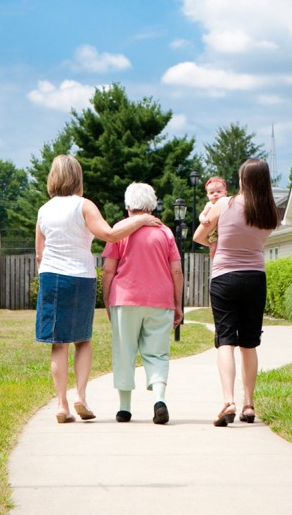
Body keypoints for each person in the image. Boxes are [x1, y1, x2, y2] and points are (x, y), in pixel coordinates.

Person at [35, 154, 161, 425]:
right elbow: (110, 234)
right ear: (78, 177)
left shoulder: (44, 210)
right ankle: (80, 396)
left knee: (58, 345)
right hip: (79, 277)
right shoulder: (84, 206)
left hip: (50, 277)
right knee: (82, 340)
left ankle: (61, 404)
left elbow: (39, 254)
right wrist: (142, 220)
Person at [193, 159, 279, 427]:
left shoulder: (224, 204)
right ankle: (249, 404)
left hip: (224, 277)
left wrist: (215, 240)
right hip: (255, 278)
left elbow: (198, 236)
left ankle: (228, 400)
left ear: (243, 180)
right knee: (249, 343)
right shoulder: (269, 212)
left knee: (226, 340)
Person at [101, 182, 183, 425]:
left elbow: (108, 270)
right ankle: (159, 400)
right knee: (157, 353)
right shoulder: (165, 232)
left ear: (128, 206)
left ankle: (124, 408)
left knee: (124, 351)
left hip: (125, 299)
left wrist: (107, 300)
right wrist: (178, 305)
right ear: (151, 206)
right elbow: (176, 271)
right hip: (160, 300)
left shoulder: (118, 231)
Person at [198, 177, 228, 259]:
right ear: (207, 195)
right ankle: (214, 259)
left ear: (225, 193)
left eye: (219, 192)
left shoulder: (227, 203)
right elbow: (202, 214)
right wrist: (203, 219)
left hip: (225, 231)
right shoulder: (210, 205)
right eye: (211, 193)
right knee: (213, 248)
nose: (215, 194)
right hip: (213, 233)